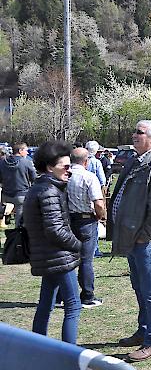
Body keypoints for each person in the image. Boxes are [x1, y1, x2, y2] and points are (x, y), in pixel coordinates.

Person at [109, 120, 151, 362]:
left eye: (140, 132)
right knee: (140, 288)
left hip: (147, 241)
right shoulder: (138, 160)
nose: (134, 135)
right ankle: (144, 331)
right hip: (134, 239)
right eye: (135, 131)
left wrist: (144, 236)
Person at [23, 140, 82, 344]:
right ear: (50, 167)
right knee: (73, 305)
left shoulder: (40, 188)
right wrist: (78, 245)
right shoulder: (49, 190)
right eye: (65, 167)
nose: (69, 171)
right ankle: (69, 356)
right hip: (58, 256)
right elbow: (55, 230)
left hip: (48, 256)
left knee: (46, 304)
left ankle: (38, 348)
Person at [67, 147, 106, 308]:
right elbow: (98, 202)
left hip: (67, 221)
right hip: (86, 221)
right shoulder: (89, 177)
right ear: (86, 161)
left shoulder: (64, 176)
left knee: (67, 260)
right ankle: (87, 295)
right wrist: (100, 215)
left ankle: (64, 294)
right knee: (86, 260)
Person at [0, 142, 37, 228]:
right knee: (20, 223)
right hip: (21, 195)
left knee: (4, 216)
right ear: (20, 151)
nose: (27, 153)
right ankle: (17, 238)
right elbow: (34, 178)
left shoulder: (2, 162)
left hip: (6, 194)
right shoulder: (26, 162)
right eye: (26, 150)